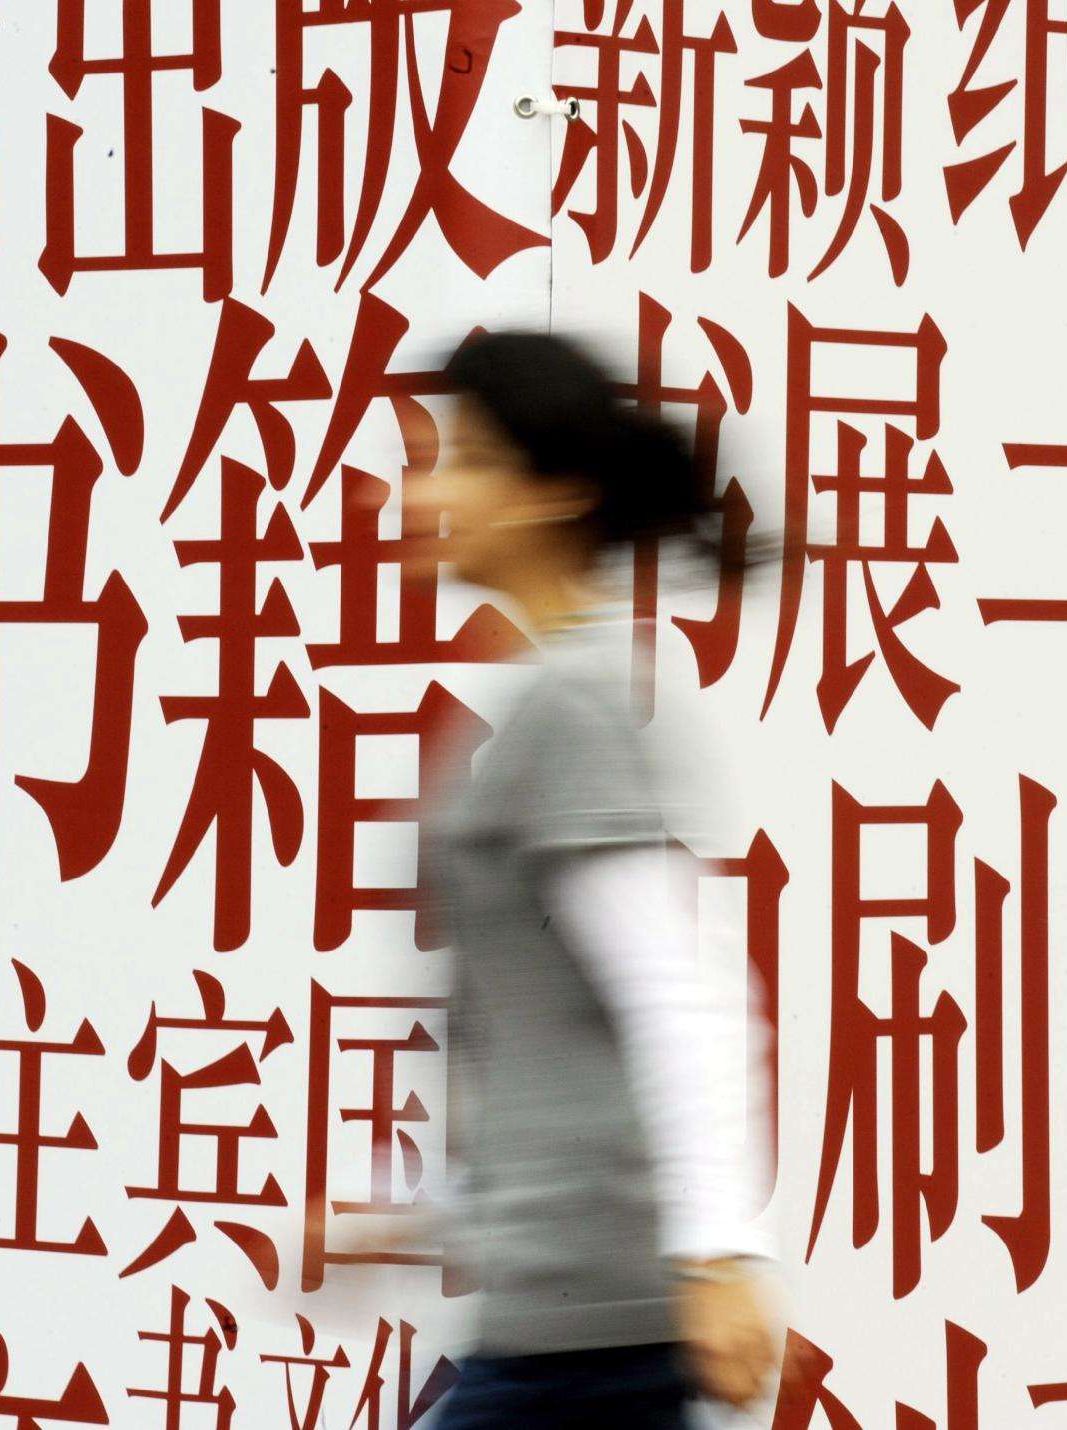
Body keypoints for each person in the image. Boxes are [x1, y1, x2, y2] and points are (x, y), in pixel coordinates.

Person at [402, 328, 781, 1427]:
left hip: (589, 1323)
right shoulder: (548, 698)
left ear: (550, 494)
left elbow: (681, 991)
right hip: (564, 1303)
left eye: (464, 458)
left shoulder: (572, 707)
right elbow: (540, 1033)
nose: (426, 487)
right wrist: (412, 1205)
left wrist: (718, 1256)